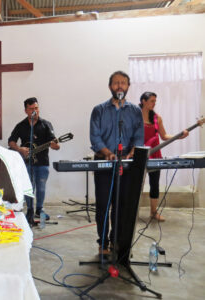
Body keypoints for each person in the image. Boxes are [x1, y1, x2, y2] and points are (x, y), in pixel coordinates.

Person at [90, 71, 144, 255]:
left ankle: (116, 241)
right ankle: (103, 243)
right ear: (110, 86)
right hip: (104, 163)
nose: (119, 86)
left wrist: (131, 152)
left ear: (128, 86)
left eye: (123, 83)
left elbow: (138, 136)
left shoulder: (135, 111)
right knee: (104, 205)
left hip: (126, 166)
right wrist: (108, 153)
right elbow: (95, 137)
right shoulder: (99, 110)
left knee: (121, 205)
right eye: (115, 83)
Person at [8, 97, 60, 222]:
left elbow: (56, 144)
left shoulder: (46, 124)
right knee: (28, 187)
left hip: (42, 162)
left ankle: (39, 210)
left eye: (36, 108)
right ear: (26, 110)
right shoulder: (21, 126)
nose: (34, 111)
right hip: (26, 162)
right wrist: (20, 149)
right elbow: (11, 142)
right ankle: (30, 209)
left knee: (41, 187)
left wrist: (55, 145)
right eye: (31, 109)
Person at [139, 91, 188, 222]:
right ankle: (131, 212)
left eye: (155, 101)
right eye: (152, 101)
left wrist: (179, 136)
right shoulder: (134, 116)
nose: (154, 104)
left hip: (155, 155)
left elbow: (164, 136)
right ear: (143, 101)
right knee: (136, 184)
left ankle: (153, 212)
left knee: (154, 184)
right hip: (139, 154)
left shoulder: (157, 118)